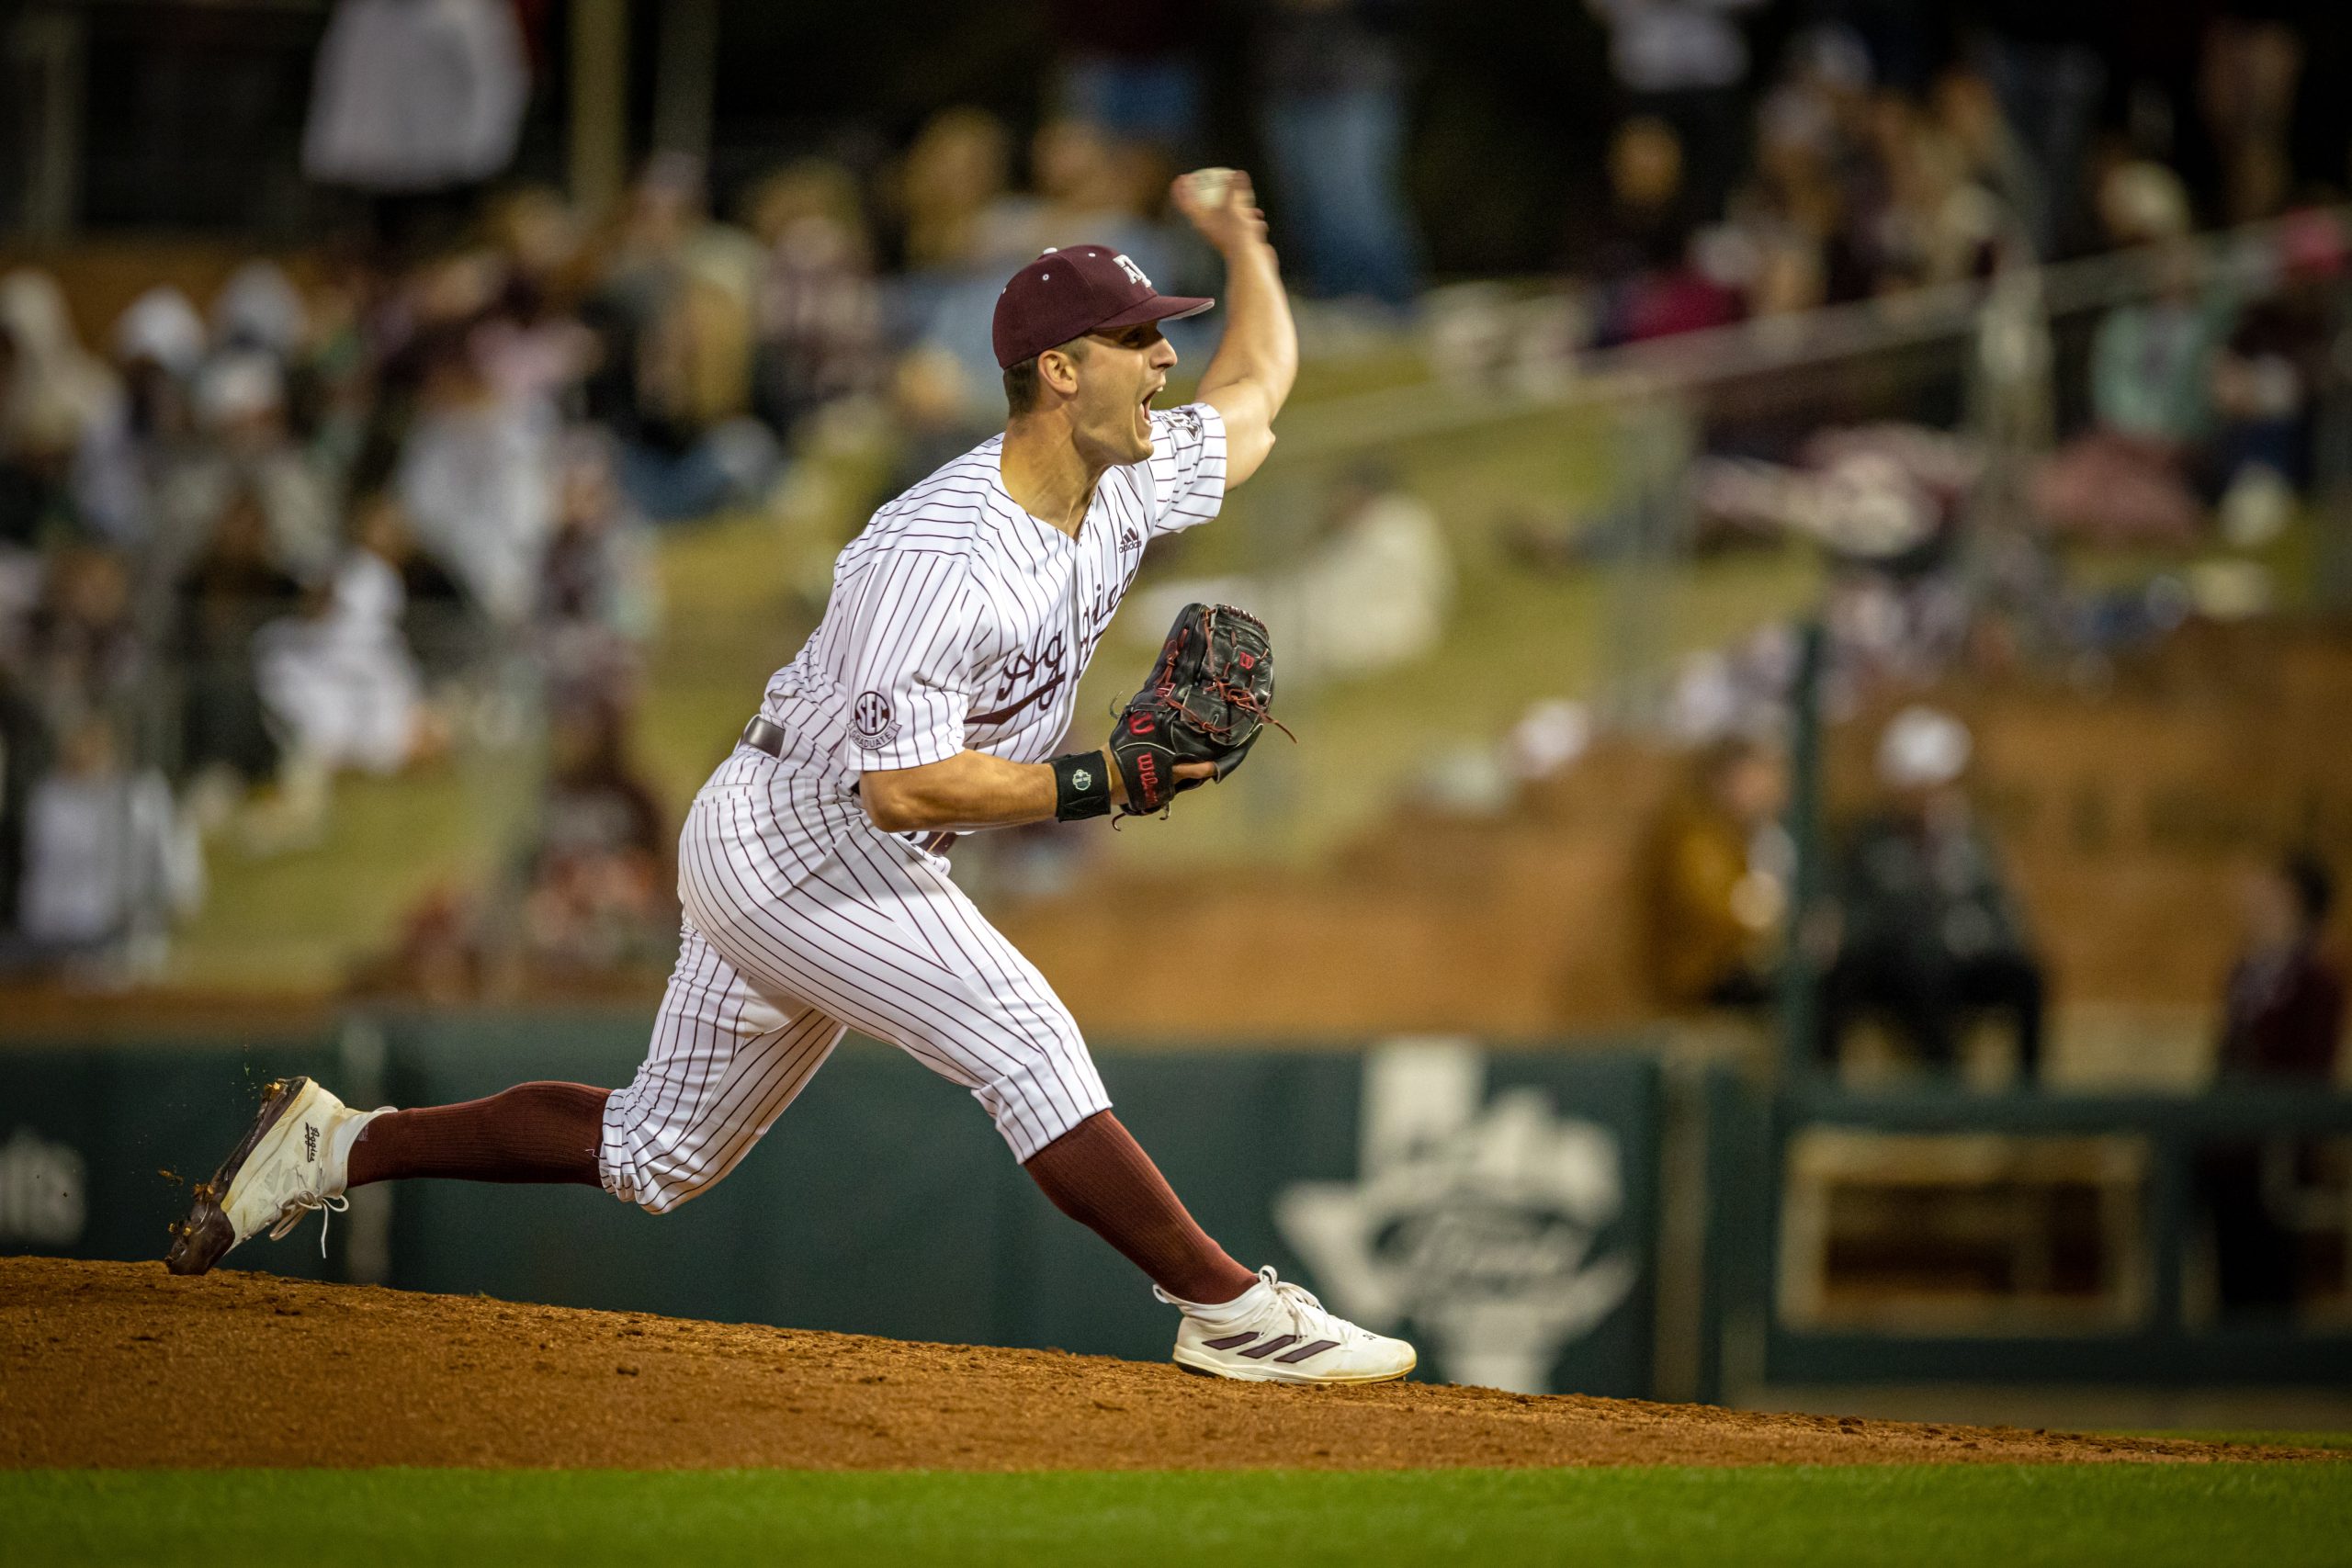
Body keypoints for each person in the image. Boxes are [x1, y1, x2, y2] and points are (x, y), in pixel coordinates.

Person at [165, 171, 1418, 1386]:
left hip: (805, 832)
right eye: (1141, 338)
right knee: (1024, 1036)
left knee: (658, 1151)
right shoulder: (941, 549)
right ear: (1058, 367)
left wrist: (1244, 242)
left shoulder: (1126, 476)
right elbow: (906, 790)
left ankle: (336, 1142)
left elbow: (1256, 393)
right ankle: (1232, 1311)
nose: (1164, 362)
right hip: (803, 836)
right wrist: (1100, 785)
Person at [1817, 705, 2046, 1082]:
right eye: (1922, 786)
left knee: (2024, 977)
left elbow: (2000, 909)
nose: (1933, 797)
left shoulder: (1969, 841)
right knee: (1921, 967)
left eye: (1941, 785)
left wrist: (1984, 936)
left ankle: (2028, 1099)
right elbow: (1859, 916)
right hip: (1897, 968)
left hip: (1961, 963)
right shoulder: (1870, 841)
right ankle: (1941, 1086)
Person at [2195, 852, 2346, 1317]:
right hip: (2231, 1132)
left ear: (2296, 902)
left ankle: (2271, 1322)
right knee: (2205, 1165)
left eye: (2272, 891)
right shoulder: (2244, 972)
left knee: (2252, 1181)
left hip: (2283, 1135)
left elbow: (2309, 1067)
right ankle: (2229, 1317)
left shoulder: (2319, 981)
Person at [1641, 734, 1789, 1010]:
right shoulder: (1696, 837)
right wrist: (1773, 924)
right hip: (1706, 977)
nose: (1764, 787)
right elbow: (1720, 913)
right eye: (1751, 777)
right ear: (1721, 781)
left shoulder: (1758, 833)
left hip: (1745, 966)